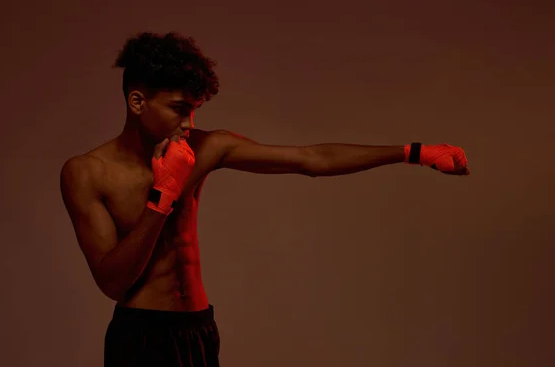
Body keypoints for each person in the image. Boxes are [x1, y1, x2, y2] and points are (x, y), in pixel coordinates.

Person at [59, 32, 470, 367]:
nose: (189, 124)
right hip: (140, 337)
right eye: (179, 109)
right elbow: (112, 281)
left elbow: (311, 159)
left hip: (199, 330)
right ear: (137, 102)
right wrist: (162, 198)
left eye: (196, 110)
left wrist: (412, 152)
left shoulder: (205, 148)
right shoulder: (87, 172)